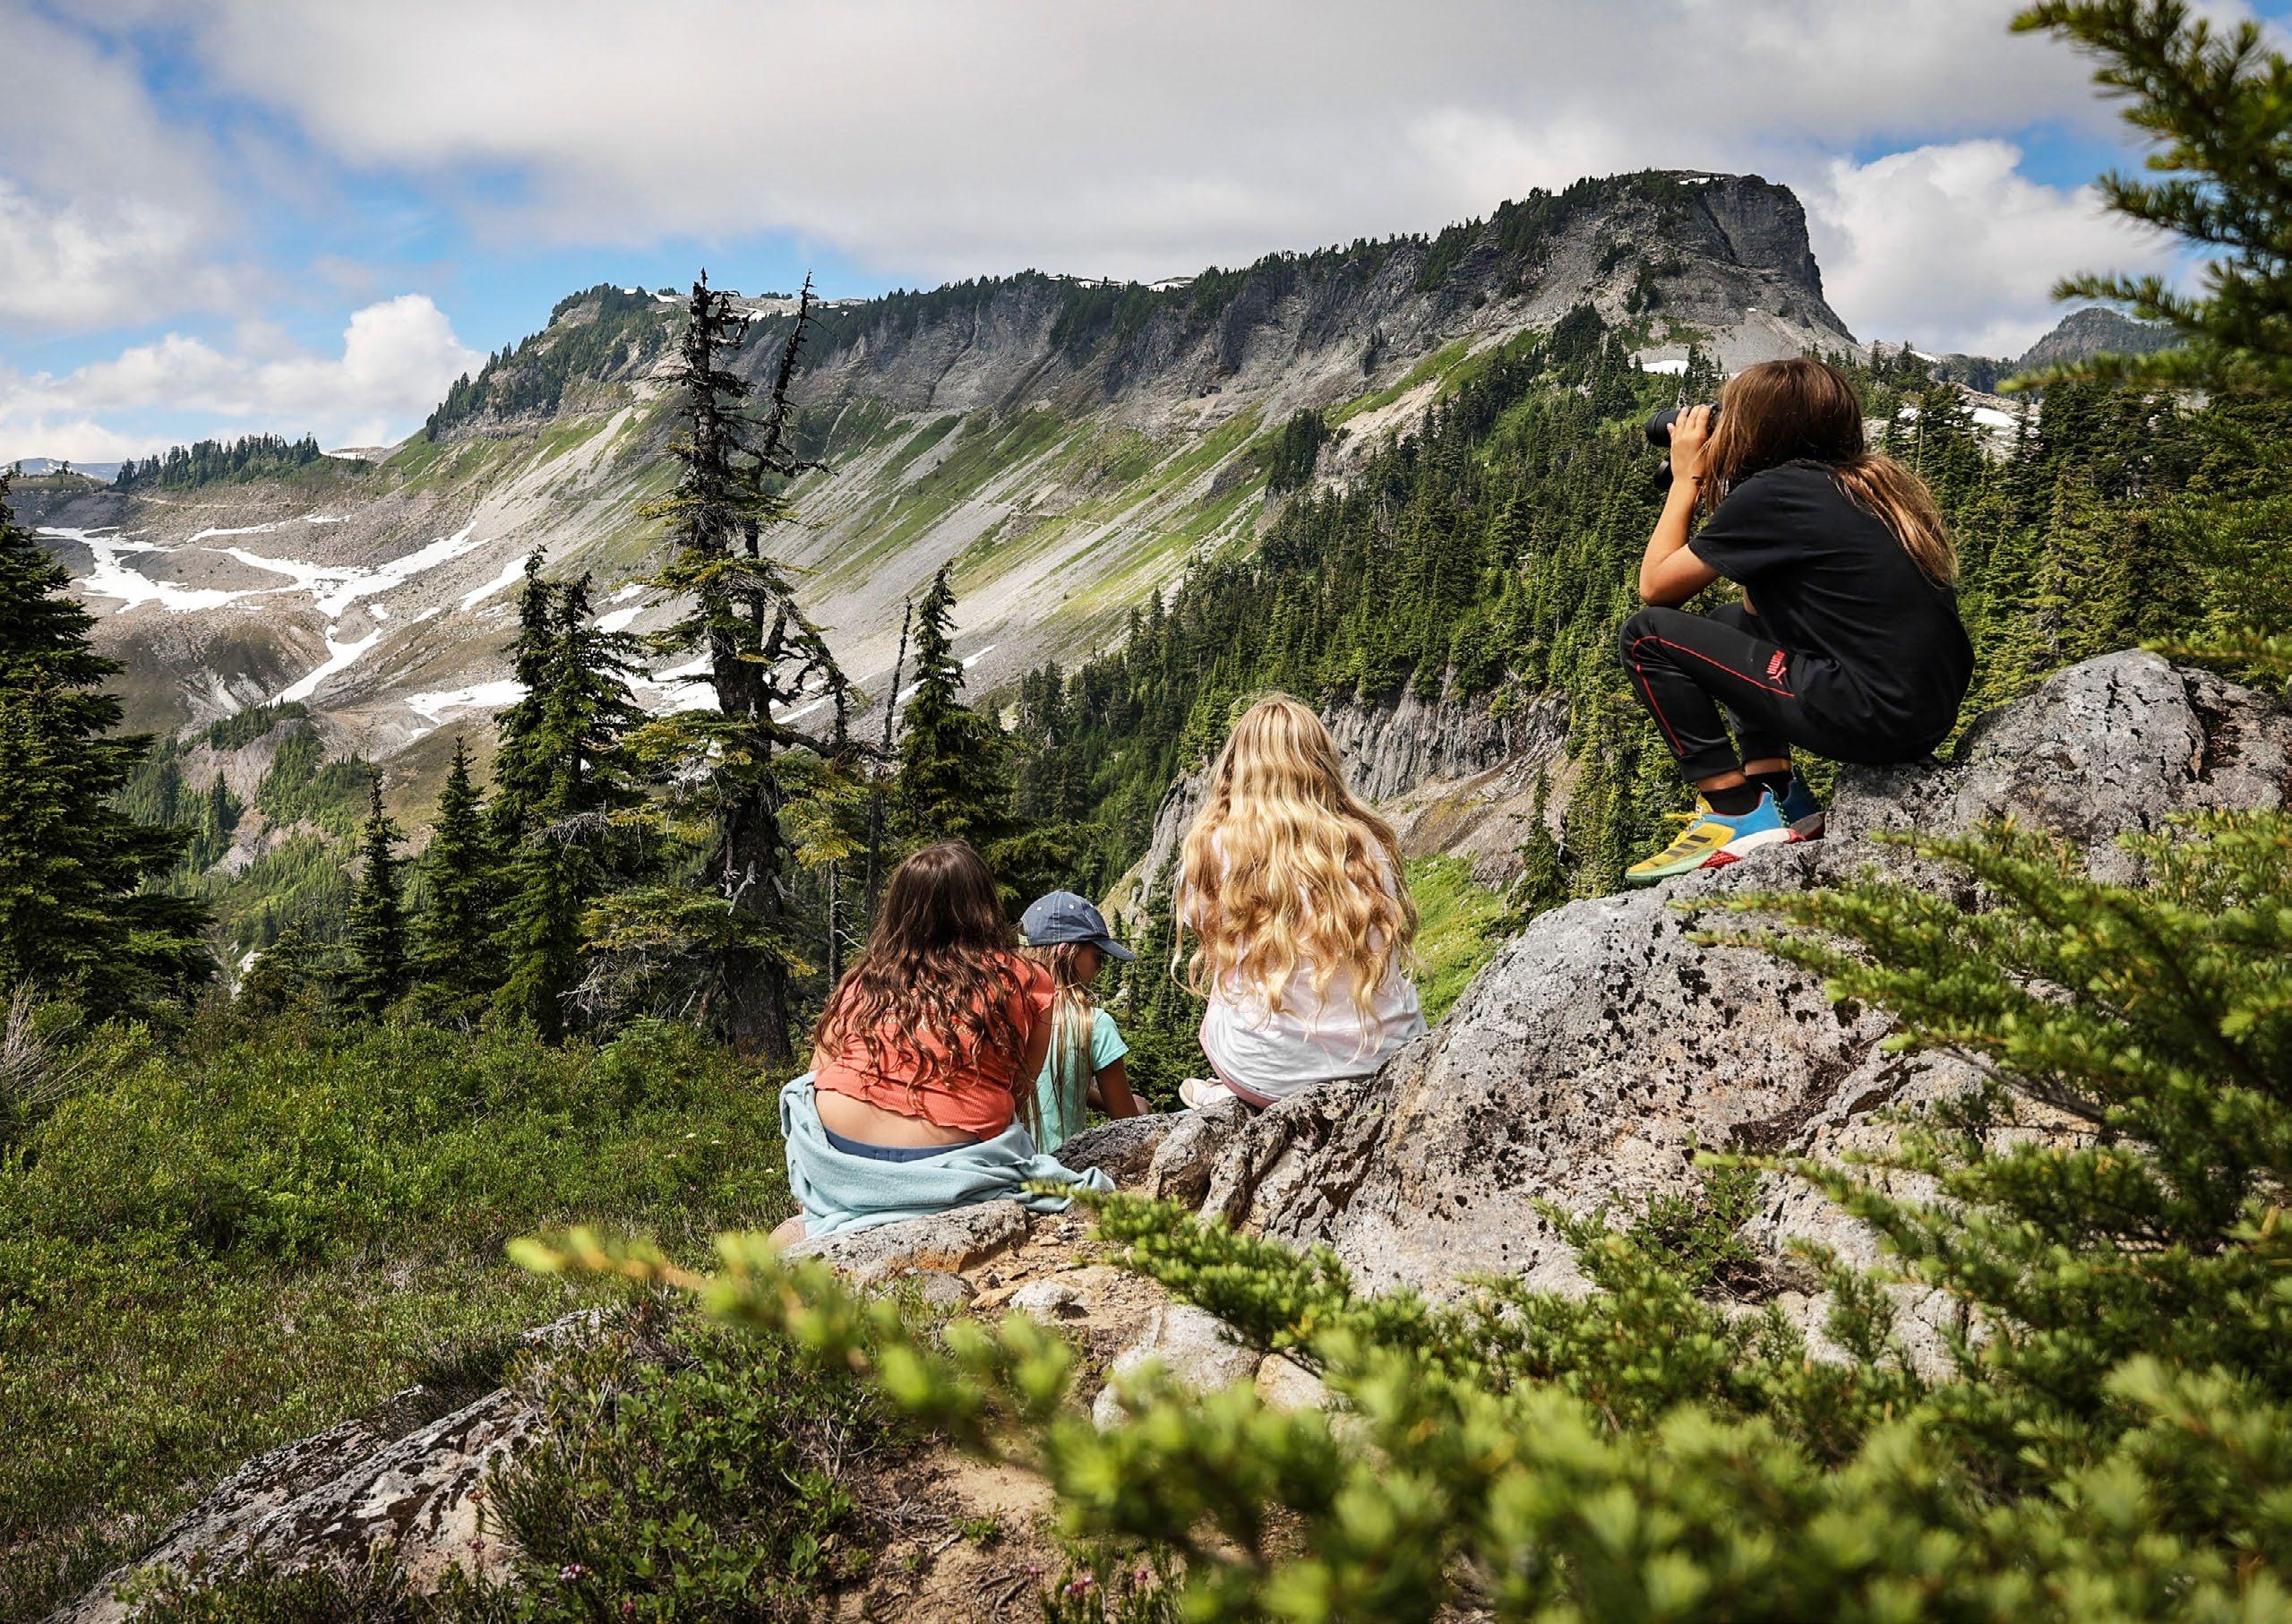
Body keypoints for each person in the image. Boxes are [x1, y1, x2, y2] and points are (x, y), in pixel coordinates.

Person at [1618, 357, 1973, 885]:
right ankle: (1781, 793)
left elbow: (1656, 587)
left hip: (1871, 715)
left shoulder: (1777, 494)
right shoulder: (1868, 486)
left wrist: (1688, 479)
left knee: (1645, 635)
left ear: (1756, 429)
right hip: (1921, 714)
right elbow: (1758, 612)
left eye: (1730, 417)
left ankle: (1735, 811)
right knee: (1732, 621)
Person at [773, 841, 1112, 1242]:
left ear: (900, 909)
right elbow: (1017, 1091)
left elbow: (819, 1071)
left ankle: (828, 1206)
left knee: (801, 1090)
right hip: (951, 1157)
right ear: (984, 904)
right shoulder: (1024, 980)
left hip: (839, 1154)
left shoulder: (864, 980)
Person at [1172, 694, 1426, 1110]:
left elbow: (1212, 943)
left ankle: (1233, 1093)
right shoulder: (1368, 841)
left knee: (1225, 984)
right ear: (1321, 764)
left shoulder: (1213, 846)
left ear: (1238, 767)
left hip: (1271, 1073)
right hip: (1387, 1057)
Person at [1018, 890, 1146, 1151]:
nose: (1100, 967)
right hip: (1061, 1169)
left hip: (1001, 1166)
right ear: (1065, 952)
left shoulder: (1003, 1012)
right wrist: (1141, 1109)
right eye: (1098, 957)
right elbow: (1128, 1123)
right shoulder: (1094, 1023)